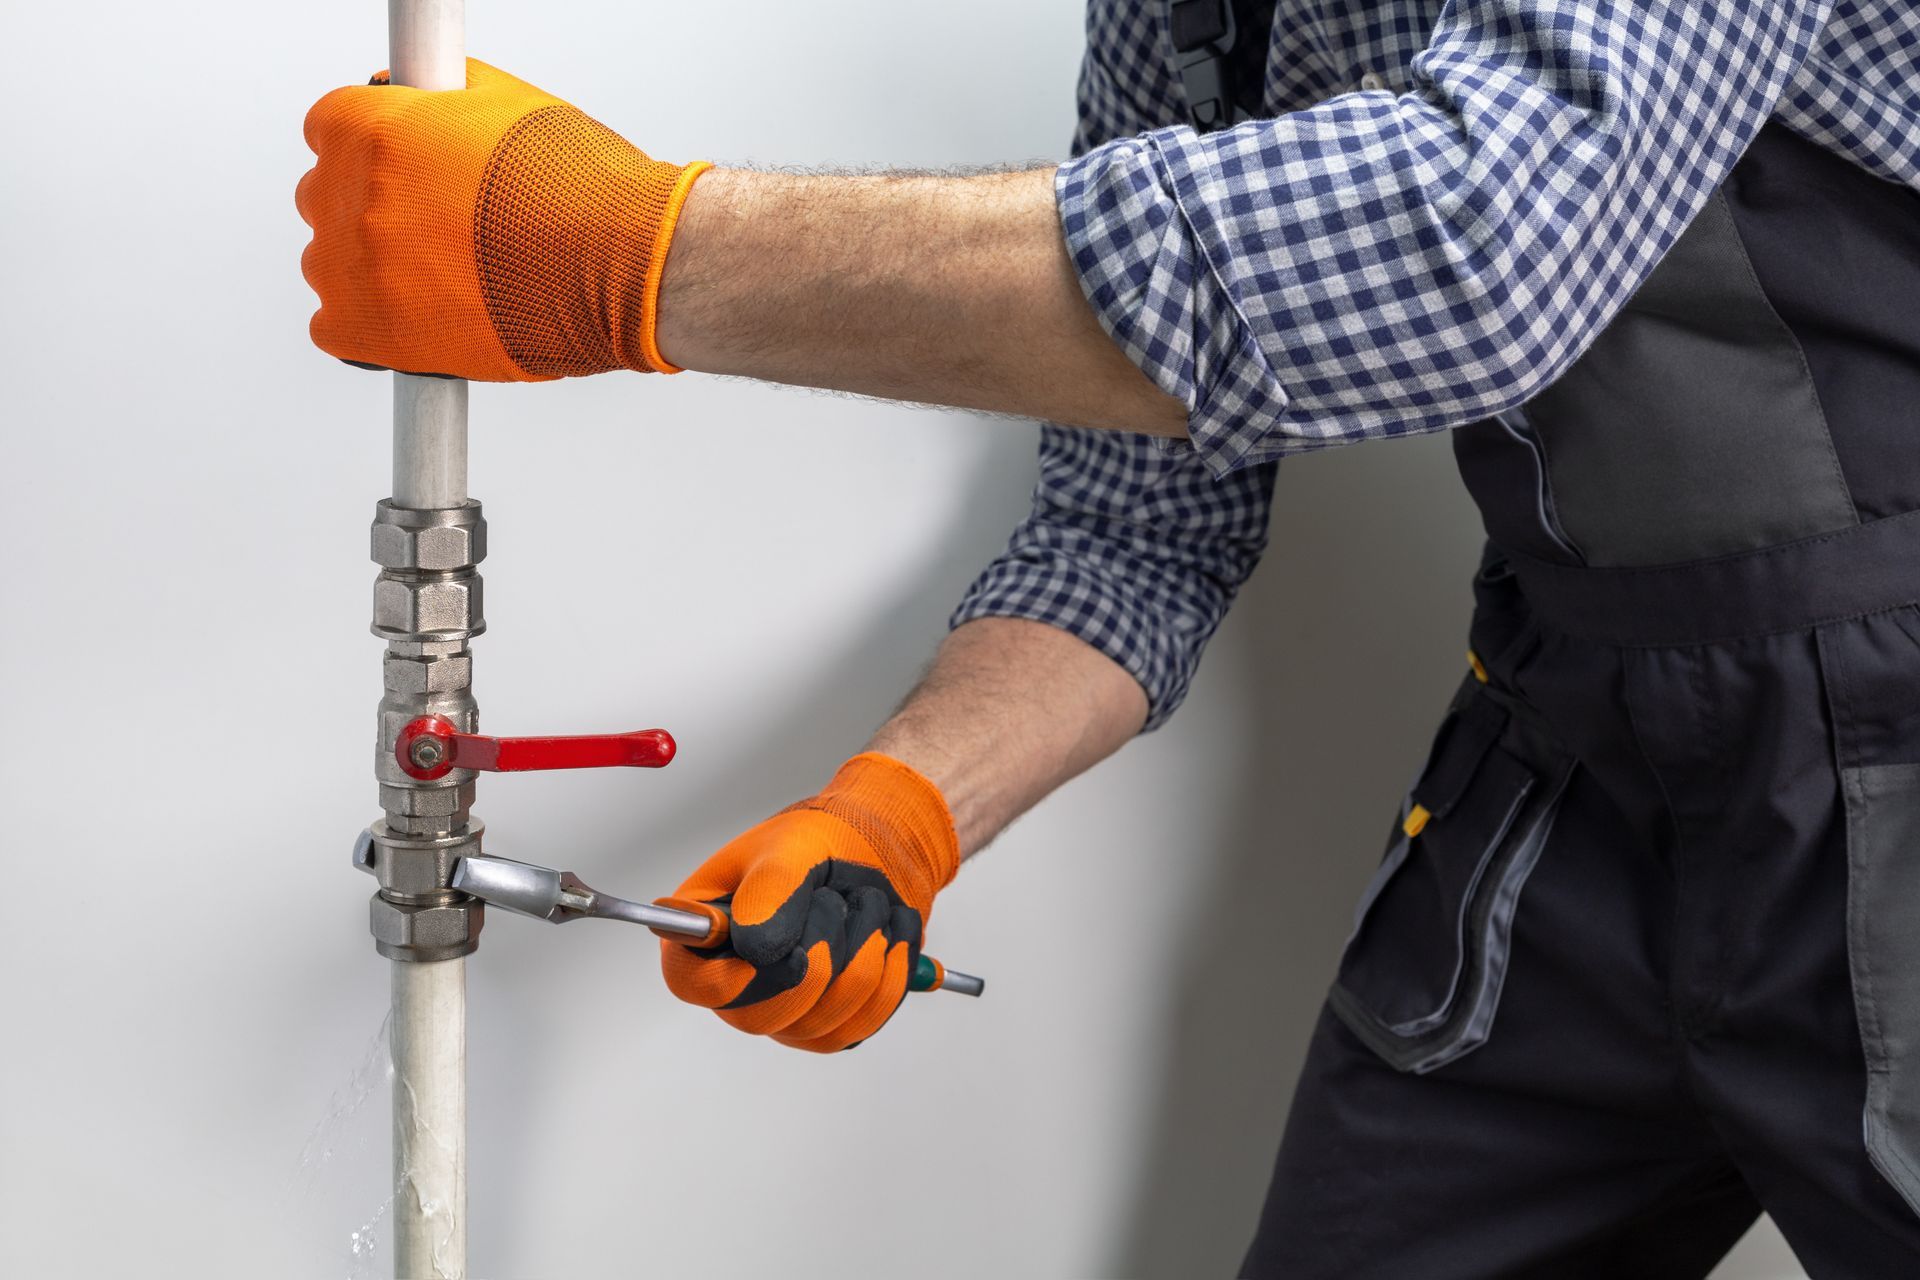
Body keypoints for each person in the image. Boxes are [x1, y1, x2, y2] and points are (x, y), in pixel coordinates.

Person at [297, 1, 1920, 1272]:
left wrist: (622, 256)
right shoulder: (1202, 8)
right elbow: (1137, 517)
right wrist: (900, 813)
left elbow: (1470, 243)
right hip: (1575, 764)